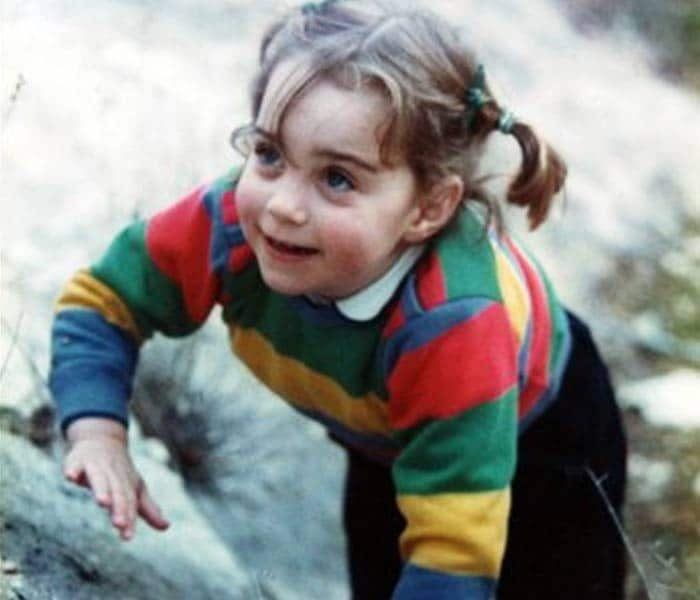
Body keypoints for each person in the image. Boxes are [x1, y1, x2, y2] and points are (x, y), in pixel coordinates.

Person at [49, 1, 628, 598]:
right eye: (270, 154)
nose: (283, 206)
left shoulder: (453, 322)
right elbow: (103, 302)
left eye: (338, 178)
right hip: (388, 433)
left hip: (547, 435)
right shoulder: (227, 226)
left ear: (429, 208)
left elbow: (453, 551)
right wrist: (97, 433)